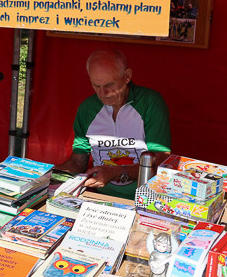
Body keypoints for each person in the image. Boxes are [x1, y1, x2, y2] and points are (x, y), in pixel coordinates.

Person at [56, 49, 170, 200]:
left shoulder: (150, 103)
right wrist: (52, 173)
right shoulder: (87, 108)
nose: (103, 93)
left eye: (109, 85)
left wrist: (116, 172)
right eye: (96, 86)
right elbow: (78, 161)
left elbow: (160, 160)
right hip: (101, 197)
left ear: (127, 76)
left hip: (145, 198)